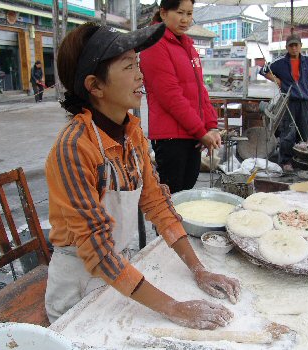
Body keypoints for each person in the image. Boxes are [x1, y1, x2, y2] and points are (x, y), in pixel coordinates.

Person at [44, 22, 240, 328]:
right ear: (95, 86)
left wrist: (198, 268)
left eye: (138, 63)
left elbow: (157, 204)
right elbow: (97, 253)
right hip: (78, 286)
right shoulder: (74, 149)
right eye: (128, 66)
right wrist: (173, 308)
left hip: (122, 273)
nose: (140, 75)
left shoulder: (132, 133)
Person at [139, 0, 221, 194]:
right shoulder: (155, 44)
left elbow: (200, 90)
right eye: (180, 13)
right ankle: (165, 226)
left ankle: (183, 226)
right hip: (171, 136)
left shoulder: (187, 45)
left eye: (189, 14)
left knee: (188, 188)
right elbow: (171, 96)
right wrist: (201, 132)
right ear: (163, 13)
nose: (185, 20)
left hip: (192, 134)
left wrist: (211, 125)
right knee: (171, 194)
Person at [260, 33, 308, 172]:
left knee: (304, 131)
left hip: (304, 102)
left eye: (296, 45)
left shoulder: (306, 62)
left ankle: (301, 159)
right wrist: (277, 80)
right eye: (291, 46)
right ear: (287, 47)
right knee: (288, 131)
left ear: (301, 46)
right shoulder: (280, 62)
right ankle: (285, 161)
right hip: (288, 101)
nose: (294, 48)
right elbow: (263, 70)